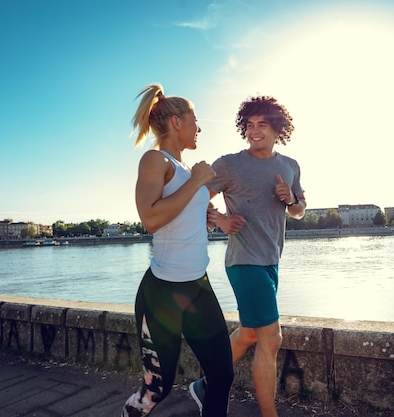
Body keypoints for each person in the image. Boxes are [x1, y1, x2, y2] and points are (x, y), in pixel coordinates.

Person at [189, 95, 306, 417]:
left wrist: (291, 198)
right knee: (272, 338)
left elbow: (299, 211)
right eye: (250, 125)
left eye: (262, 125)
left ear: (277, 129)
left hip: (271, 261)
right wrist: (221, 220)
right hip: (243, 261)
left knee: (252, 332)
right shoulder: (229, 164)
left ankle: (206, 385)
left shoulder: (290, 166)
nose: (254, 131)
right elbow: (193, 201)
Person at [122, 83, 233, 417]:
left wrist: (211, 219)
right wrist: (198, 182)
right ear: (175, 122)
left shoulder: (188, 170)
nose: (199, 128)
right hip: (163, 292)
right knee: (158, 386)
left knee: (222, 375)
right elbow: (151, 219)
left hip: (197, 286)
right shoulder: (155, 159)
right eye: (194, 120)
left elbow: (180, 216)